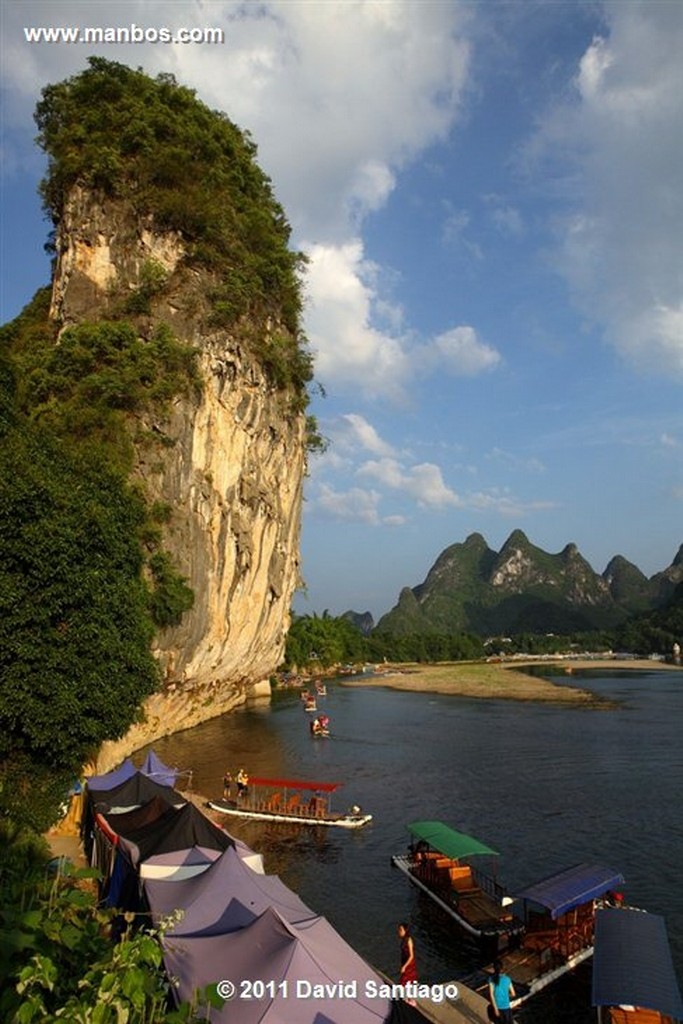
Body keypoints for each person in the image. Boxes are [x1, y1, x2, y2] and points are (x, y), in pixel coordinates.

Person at [398, 922, 418, 1005]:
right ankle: (409, 999)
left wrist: (404, 966)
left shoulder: (409, 940)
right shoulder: (404, 939)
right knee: (407, 982)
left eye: (401, 930)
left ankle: (407, 1000)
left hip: (409, 964)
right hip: (405, 962)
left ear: (405, 930)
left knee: (404, 981)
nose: (399, 931)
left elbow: (411, 955)